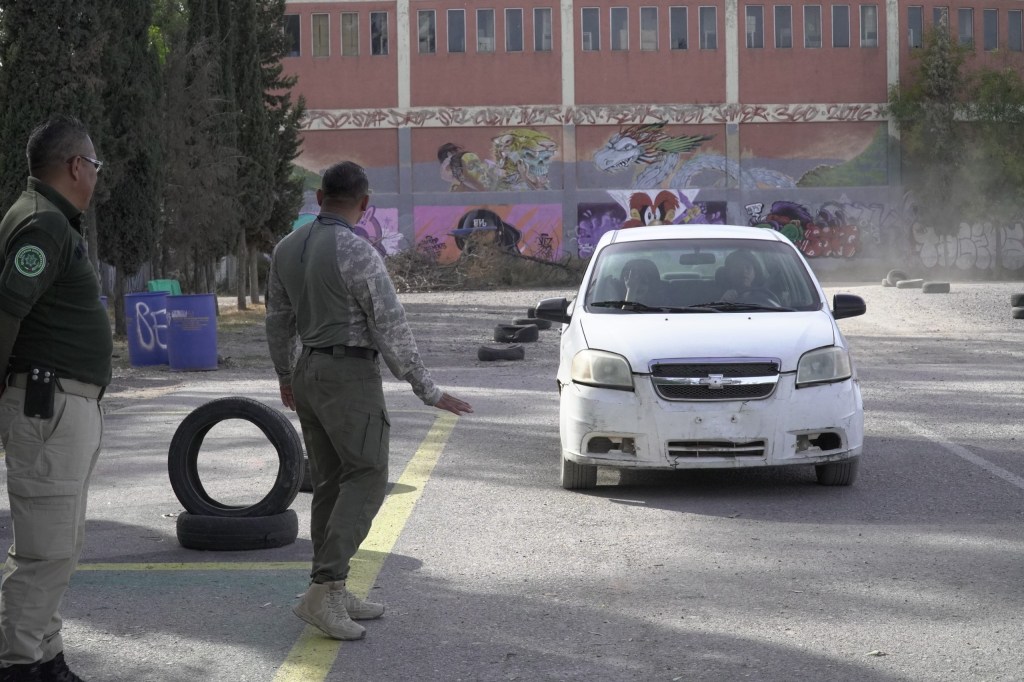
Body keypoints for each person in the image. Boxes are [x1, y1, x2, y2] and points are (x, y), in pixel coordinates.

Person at [265, 161, 473, 642]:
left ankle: (334, 587)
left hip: (308, 370)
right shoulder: (357, 250)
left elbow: (278, 320)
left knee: (333, 482)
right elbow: (389, 323)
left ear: (318, 198)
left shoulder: (285, 248)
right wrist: (428, 389)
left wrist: (284, 374)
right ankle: (324, 589)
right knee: (368, 475)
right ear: (364, 203)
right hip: (348, 375)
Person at [0, 115, 110, 681]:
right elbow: (6, 315)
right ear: (75, 166)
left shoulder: (47, 220)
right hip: (48, 407)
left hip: (62, 406)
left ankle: (45, 659)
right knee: (45, 551)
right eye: (95, 164)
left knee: (58, 544)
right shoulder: (43, 225)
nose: (96, 174)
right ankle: (21, 664)